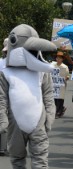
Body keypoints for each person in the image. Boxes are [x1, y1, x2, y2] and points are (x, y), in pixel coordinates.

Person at [0, 24, 56, 169]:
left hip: (39, 122)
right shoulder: (5, 72)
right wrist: (3, 119)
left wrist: (50, 115)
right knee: (17, 158)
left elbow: (48, 94)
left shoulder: (42, 71)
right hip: (15, 123)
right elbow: (2, 98)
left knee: (40, 158)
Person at [51, 51, 69, 119]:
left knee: (60, 99)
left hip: (61, 85)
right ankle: (60, 109)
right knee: (54, 98)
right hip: (54, 84)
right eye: (57, 58)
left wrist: (66, 78)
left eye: (60, 58)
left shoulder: (65, 67)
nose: (58, 59)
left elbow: (67, 76)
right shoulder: (52, 65)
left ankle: (58, 112)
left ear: (62, 59)